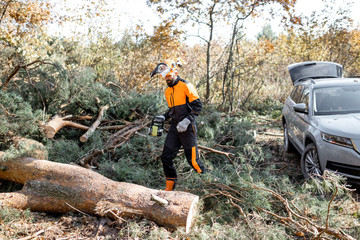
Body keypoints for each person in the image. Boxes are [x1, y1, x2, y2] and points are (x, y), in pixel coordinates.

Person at [150, 60, 207, 191]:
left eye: (168, 76)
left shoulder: (186, 85)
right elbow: (173, 110)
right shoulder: (167, 91)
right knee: (166, 157)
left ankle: (208, 185)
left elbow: (198, 106)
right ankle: (169, 189)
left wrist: (187, 121)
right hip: (174, 128)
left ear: (175, 72)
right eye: (164, 77)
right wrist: (164, 116)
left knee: (193, 161)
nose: (167, 79)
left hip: (188, 128)